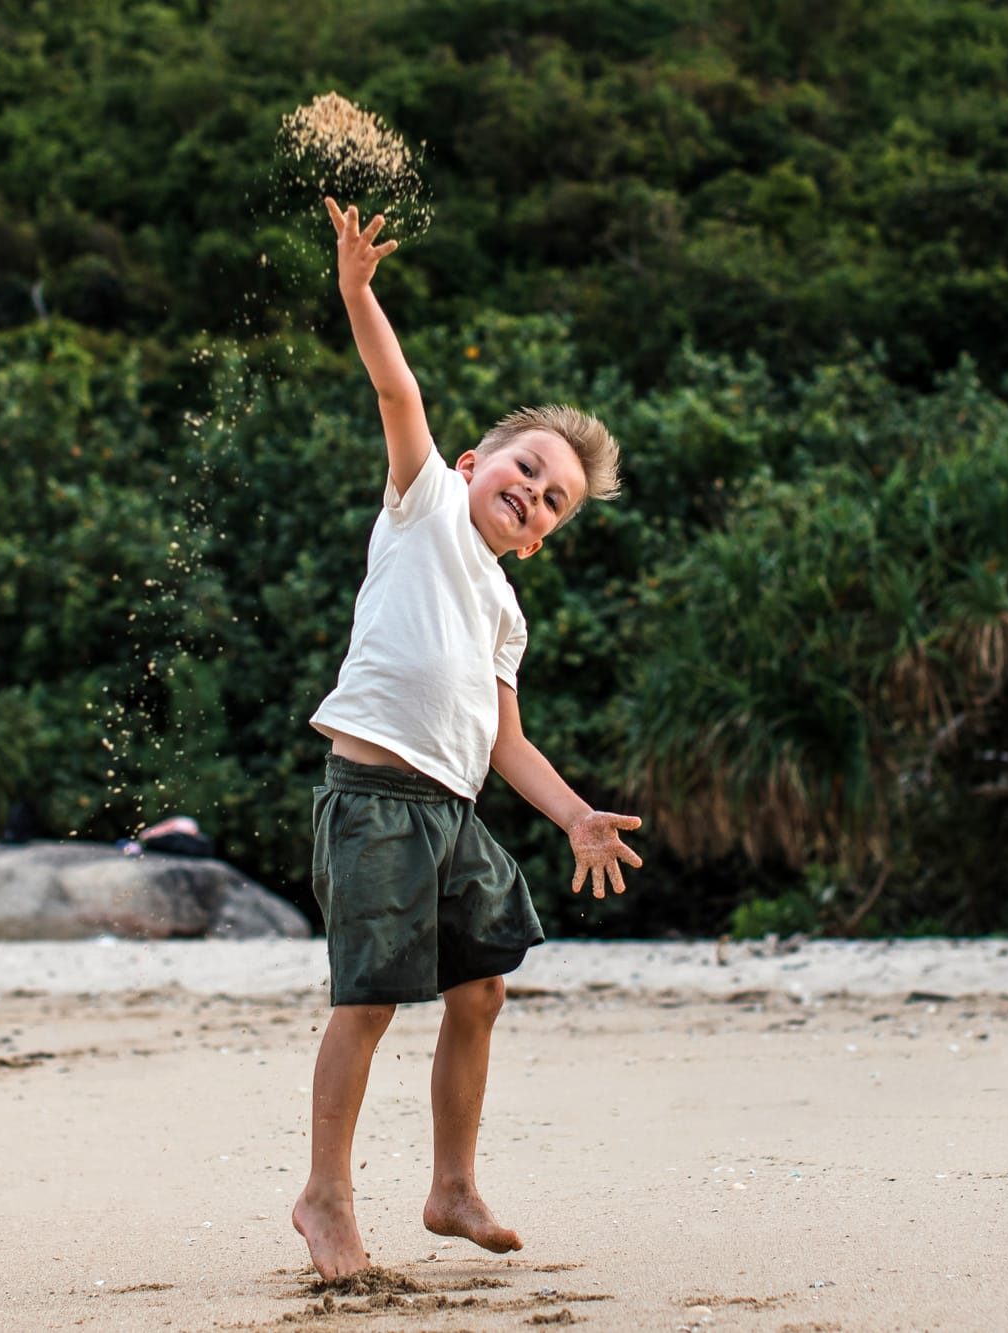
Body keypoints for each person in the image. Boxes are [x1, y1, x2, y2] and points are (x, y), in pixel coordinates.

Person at [293, 200, 644, 1276]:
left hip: (451, 817)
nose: (531, 496)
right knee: (366, 1001)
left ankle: (451, 1186)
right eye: (523, 471)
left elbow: (505, 742)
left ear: (541, 542)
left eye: (551, 503)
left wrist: (574, 811)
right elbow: (395, 388)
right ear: (469, 461)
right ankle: (323, 1198)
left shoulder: (507, 609)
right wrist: (356, 291)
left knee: (480, 988)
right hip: (371, 801)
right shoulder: (422, 505)